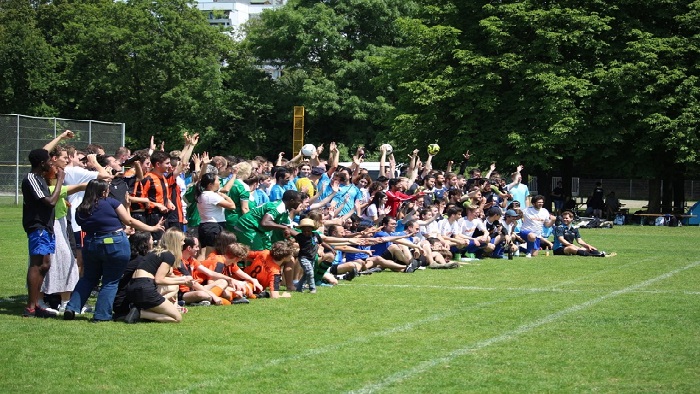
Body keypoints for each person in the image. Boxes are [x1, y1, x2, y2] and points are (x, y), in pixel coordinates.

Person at [63, 179, 164, 322]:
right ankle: (101, 315)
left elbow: (91, 224)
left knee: (88, 278)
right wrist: (151, 228)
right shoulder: (111, 202)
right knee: (110, 281)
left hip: (92, 243)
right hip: (115, 243)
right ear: (103, 192)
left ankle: (71, 307)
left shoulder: (81, 208)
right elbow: (129, 220)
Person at [21, 149, 66, 318]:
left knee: (45, 264)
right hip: (37, 226)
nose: (51, 163)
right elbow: (50, 202)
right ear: (41, 163)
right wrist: (60, 180)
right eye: (49, 160)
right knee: (36, 263)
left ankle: (36, 304)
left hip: (46, 226)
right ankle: (31, 307)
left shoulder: (40, 179)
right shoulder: (31, 179)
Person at [124, 228, 193, 323]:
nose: (183, 243)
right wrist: (183, 281)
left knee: (173, 290)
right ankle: (141, 313)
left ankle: (139, 310)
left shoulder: (154, 252)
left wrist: (182, 279)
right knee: (177, 318)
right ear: (175, 242)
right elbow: (159, 280)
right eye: (181, 240)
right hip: (145, 288)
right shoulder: (169, 255)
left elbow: (164, 276)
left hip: (132, 287)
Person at [196, 173, 236, 256]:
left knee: (202, 253)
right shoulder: (212, 196)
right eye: (217, 180)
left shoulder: (201, 194)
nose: (219, 182)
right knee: (212, 254)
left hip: (204, 225)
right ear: (210, 184)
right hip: (214, 227)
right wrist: (225, 196)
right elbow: (232, 206)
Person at [293, 218, 332, 293]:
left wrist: (331, 249)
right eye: (304, 231)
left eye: (308, 231)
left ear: (312, 229)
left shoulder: (316, 235)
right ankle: (312, 288)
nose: (306, 233)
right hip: (303, 257)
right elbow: (292, 241)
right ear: (301, 230)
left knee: (306, 274)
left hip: (312, 257)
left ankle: (299, 287)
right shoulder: (300, 236)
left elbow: (322, 243)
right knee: (310, 272)